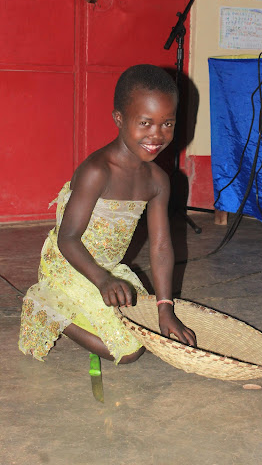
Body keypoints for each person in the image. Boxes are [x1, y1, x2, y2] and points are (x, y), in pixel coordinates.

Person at [18, 64, 196, 365]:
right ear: (119, 119)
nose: (157, 135)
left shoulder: (157, 180)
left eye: (167, 124)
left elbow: (162, 246)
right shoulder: (97, 171)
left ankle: (93, 300)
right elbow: (68, 238)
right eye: (145, 123)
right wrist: (102, 280)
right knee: (129, 350)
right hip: (69, 264)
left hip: (109, 269)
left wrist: (165, 307)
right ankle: (47, 307)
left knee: (150, 330)